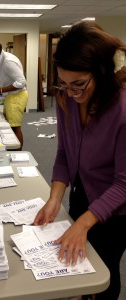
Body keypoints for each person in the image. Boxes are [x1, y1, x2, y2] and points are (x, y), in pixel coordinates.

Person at [33, 21, 126, 300]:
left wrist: (84, 224)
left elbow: (124, 184)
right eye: (63, 83)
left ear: (102, 73)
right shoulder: (66, 99)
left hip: (117, 208)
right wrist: (54, 199)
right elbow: (64, 153)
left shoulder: (122, 111)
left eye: (79, 84)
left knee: (103, 273)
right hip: (82, 191)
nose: (70, 93)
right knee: (76, 267)